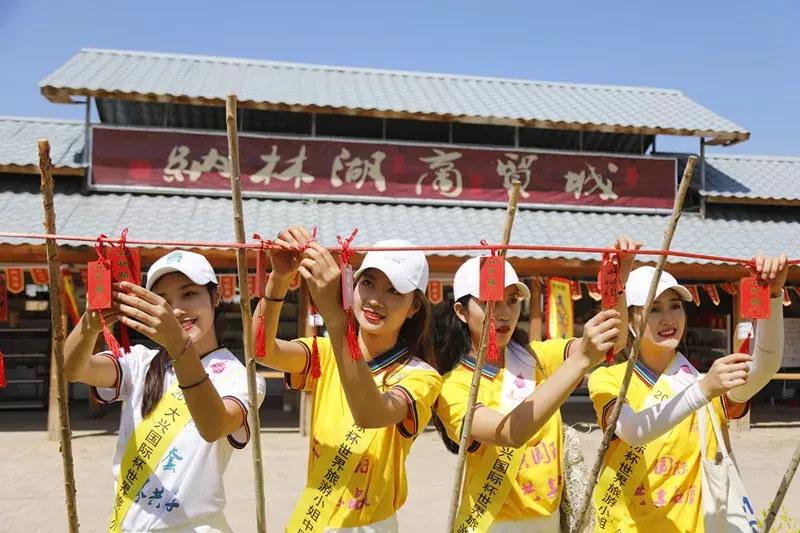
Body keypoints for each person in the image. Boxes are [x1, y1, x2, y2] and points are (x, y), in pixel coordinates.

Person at [433, 237, 640, 533]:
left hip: (549, 519)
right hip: (492, 524)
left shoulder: (538, 357)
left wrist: (617, 283)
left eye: (512, 300)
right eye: (490, 302)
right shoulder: (453, 387)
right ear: (461, 312)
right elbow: (508, 433)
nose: (504, 312)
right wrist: (581, 360)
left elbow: (615, 341)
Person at [252, 226, 442, 533]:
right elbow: (261, 350)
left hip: (371, 526)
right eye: (368, 283)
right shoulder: (324, 352)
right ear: (352, 284)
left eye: (394, 291)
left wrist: (336, 319)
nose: (376, 300)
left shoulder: (421, 377)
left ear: (414, 307)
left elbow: (370, 414)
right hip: (314, 518)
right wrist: (279, 279)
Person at [64, 250, 266, 533]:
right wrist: (89, 324)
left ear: (216, 297)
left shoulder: (241, 379)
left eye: (189, 294)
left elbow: (214, 426)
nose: (178, 310)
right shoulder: (140, 362)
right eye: (164, 301)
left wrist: (179, 346)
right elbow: (74, 369)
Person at [588, 254, 788, 532]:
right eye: (654, 309)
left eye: (675, 306)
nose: (669, 318)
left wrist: (773, 294)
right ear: (631, 321)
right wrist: (703, 390)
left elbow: (764, 365)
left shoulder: (707, 383)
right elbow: (633, 431)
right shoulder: (609, 379)